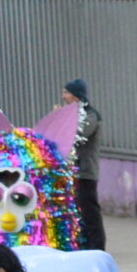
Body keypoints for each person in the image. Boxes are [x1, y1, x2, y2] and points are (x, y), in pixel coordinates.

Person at [61, 81, 106, 251]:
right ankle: (83, 244)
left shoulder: (90, 115)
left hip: (86, 171)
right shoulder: (74, 114)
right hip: (72, 171)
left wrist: (62, 121)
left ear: (76, 96)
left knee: (90, 212)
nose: (63, 96)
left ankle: (97, 246)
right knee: (78, 212)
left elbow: (79, 134)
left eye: (66, 93)